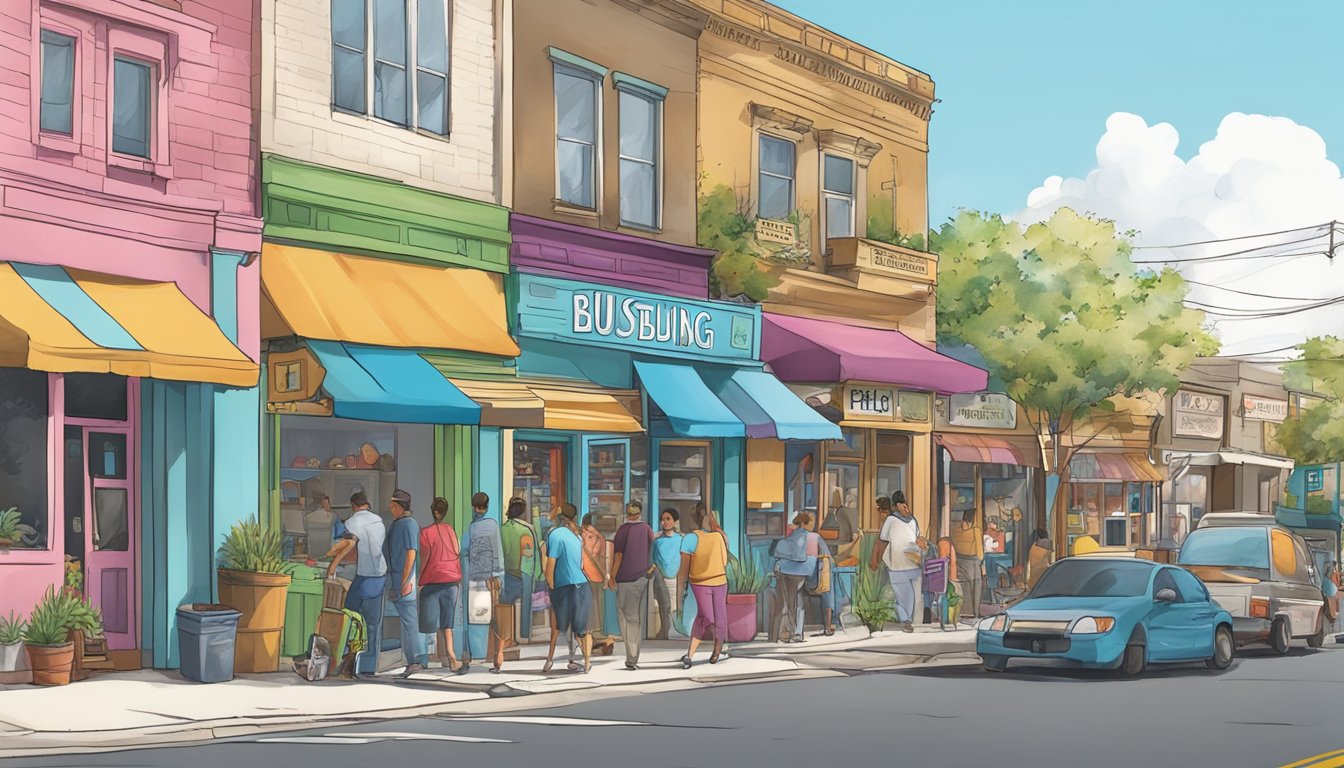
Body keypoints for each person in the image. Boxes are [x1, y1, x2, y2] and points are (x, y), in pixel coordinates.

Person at [330, 491, 387, 677]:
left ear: (353, 506)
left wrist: (332, 565)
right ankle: (369, 664)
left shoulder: (352, 521)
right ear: (367, 504)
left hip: (364, 576)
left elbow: (348, 545)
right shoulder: (378, 520)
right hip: (380, 575)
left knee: (348, 616)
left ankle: (348, 659)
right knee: (372, 623)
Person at [678, 506, 730, 668]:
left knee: (719, 618)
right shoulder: (691, 538)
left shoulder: (720, 537)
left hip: (720, 580)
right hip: (700, 582)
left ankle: (715, 650)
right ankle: (691, 653)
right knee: (707, 617)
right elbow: (683, 570)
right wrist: (680, 591)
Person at [543, 503, 593, 673]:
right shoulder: (577, 536)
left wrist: (550, 585)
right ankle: (586, 661)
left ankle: (549, 660)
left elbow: (551, 564)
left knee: (557, 626)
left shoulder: (555, 535)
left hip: (562, 585)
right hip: (581, 584)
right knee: (580, 628)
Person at [869, 491, 926, 633]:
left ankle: (907, 621)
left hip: (898, 566)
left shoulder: (890, 520)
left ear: (894, 506)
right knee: (917, 597)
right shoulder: (912, 519)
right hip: (914, 563)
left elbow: (882, 539)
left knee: (903, 599)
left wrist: (877, 559)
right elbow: (917, 537)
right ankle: (918, 624)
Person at [383, 489, 425, 677]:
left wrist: (406, 580)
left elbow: (411, 553)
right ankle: (411, 659)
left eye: (393, 505)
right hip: (396, 578)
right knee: (405, 621)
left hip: (404, 579)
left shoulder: (409, 524)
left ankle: (416, 660)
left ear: (401, 506)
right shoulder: (398, 524)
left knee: (409, 621)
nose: (390, 508)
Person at [462, 492, 505, 674]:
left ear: (474, 506)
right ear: (487, 507)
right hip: (491, 578)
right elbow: (498, 551)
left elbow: (464, 552)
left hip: (474, 577)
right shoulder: (493, 525)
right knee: (492, 618)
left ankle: (477, 655)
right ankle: (494, 657)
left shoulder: (471, 528)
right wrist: (498, 575)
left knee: (477, 617)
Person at [610, 501, 655, 670]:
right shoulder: (647, 529)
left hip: (626, 579)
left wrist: (612, 576)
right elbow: (653, 548)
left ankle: (632, 657)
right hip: (642, 577)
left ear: (626, 513)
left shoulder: (623, 531)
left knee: (626, 617)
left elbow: (618, 556)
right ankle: (634, 655)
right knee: (635, 617)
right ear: (640, 513)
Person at [419, 496, 462, 672]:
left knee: (427, 621)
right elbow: (457, 550)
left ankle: (426, 657)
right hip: (451, 579)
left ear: (433, 511)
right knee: (448, 621)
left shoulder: (425, 533)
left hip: (432, 579)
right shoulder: (450, 530)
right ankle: (451, 656)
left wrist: (420, 580)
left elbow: (425, 558)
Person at [501, 497, 542, 642]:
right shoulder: (528, 529)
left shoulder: (503, 528)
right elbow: (532, 555)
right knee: (525, 605)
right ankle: (524, 634)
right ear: (523, 511)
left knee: (505, 607)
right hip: (524, 574)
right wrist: (538, 574)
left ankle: (505, 636)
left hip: (507, 573)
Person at [771, 513, 815, 643]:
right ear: (803, 523)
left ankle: (786, 632)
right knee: (797, 602)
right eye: (810, 522)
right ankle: (796, 632)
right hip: (799, 572)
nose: (813, 525)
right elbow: (800, 555)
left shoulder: (790, 534)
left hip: (783, 570)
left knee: (787, 602)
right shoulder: (806, 536)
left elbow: (779, 551)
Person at [581, 513, 617, 657]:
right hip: (600, 578)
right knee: (601, 611)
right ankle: (605, 640)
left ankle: (592, 641)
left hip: (585, 577)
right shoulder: (602, 538)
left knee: (589, 613)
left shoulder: (583, 536)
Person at [650, 509, 684, 640]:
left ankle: (676, 633)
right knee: (662, 607)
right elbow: (652, 558)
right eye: (663, 519)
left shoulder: (682, 539)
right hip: (660, 579)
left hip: (677, 580)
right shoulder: (656, 539)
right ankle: (664, 632)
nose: (664, 522)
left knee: (676, 608)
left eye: (668, 519)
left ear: (675, 521)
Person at [951, 509, 984, 620]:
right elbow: (980, 552)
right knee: (977, 587)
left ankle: (965, 612)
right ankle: (976, 613)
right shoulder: (976, 531)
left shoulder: (956, 531)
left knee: (964, 587)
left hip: (959, 560)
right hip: (973, 562)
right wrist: (982, 564)